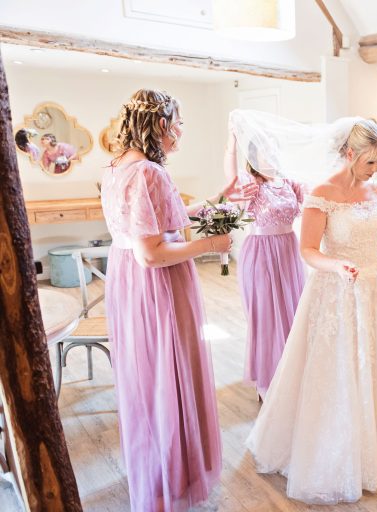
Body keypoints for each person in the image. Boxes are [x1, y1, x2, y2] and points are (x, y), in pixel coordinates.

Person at [246, 118, 377, 504]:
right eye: (370, 162)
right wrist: (336, 266)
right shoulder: (321, 194)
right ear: (350, 154)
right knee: (338, 369)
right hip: (335, 291)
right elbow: (308, 250)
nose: (375, 171)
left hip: (375, 288)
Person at [100, 88, 255, 511]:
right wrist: (210, 245)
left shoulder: (115, 168)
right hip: (158, 285)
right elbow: (152, 253)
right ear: (164, 125)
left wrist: (219, 198)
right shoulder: (150, 172)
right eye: (179, 124)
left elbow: (159, 220)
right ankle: (174, 472)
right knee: (171, 371)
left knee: (149, 377)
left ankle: (161, 467)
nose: (181, 134)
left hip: (127, 282)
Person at [224, 113, 305, 398]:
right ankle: (268, 382)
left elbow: (317, 200)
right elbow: (231, 179)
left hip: (289, 252)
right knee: (267, 316)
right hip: (260, 254)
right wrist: (232, 142)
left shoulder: (290, 182)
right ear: (256, 154)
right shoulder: (251, 183)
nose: (272, 152)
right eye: (266, 148)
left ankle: (292, 373)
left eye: (275, 147)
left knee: (293, 314)